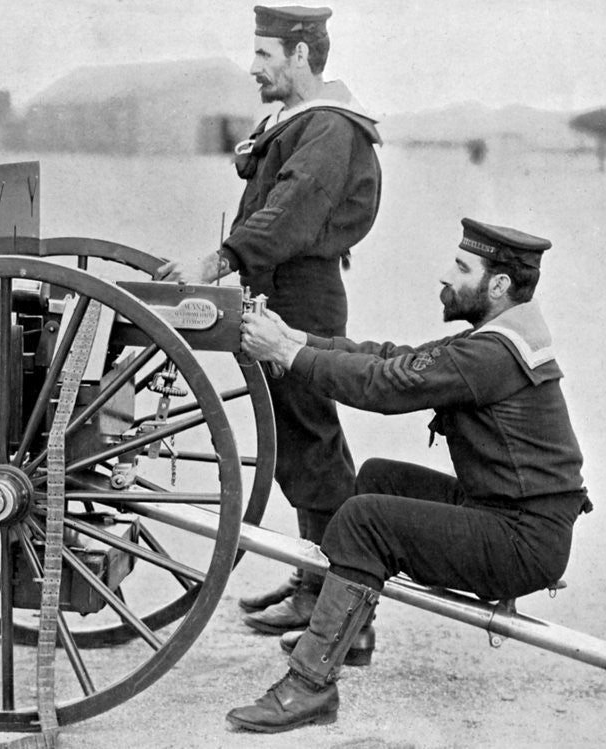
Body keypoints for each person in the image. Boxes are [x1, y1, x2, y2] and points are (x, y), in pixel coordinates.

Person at [226, 218, 593, 733]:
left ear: (499, 285)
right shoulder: (499, 339)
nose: (445, 276)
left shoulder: (489, 354)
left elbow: (386, 385)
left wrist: (290, 357)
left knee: (364, 519)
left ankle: (309, 688)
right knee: (379, 478)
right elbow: (396, 359)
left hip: (523, 541)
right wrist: (300, 339)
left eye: (462, 268)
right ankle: (350, 635)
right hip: (512, 517)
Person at [155, 5, 383, 635]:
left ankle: (340, 609)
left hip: (302, 296)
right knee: (293, 439)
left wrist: (219, 259)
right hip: (278, 286)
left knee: (311, 440)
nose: (254, 68)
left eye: (264, 54)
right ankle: (317, 577)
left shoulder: (331, 129)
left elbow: (290, 209)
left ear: (301, 55)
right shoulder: (299, 122)